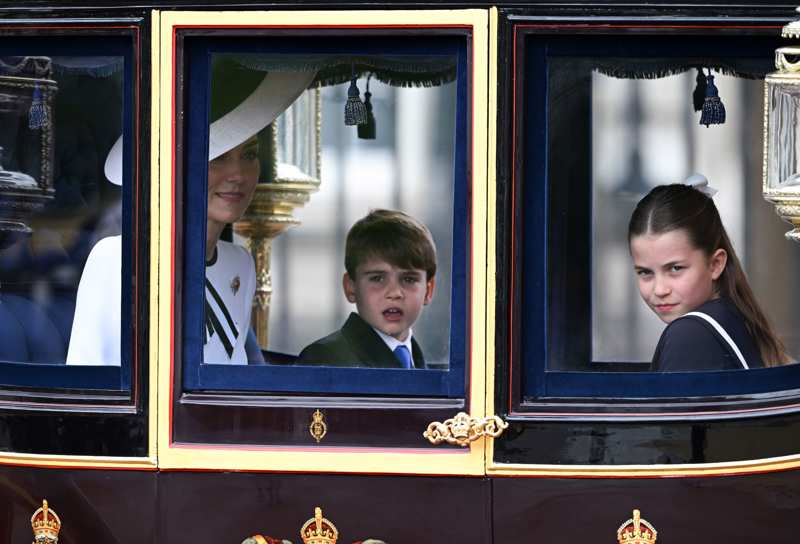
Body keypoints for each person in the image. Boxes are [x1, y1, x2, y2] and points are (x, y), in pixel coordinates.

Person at [66, 59, 314, 365]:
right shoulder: (118, 258)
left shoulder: (241, 264)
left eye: (249, 155)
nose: (238, 174)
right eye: (218, 157)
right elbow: (93, 381)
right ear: (179, 165)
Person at [628, 175, 791, 371]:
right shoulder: (736, 317)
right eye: (645, 272)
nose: (660, 289)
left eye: (675, 268)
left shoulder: (690, 335)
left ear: (715, 264)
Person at [296, 209, 437, 368]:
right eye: (377, 278)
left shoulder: (422, 366)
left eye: (409, 279)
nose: (394, 293)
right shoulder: (324, 359)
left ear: (428, 290)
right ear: (351, 287)